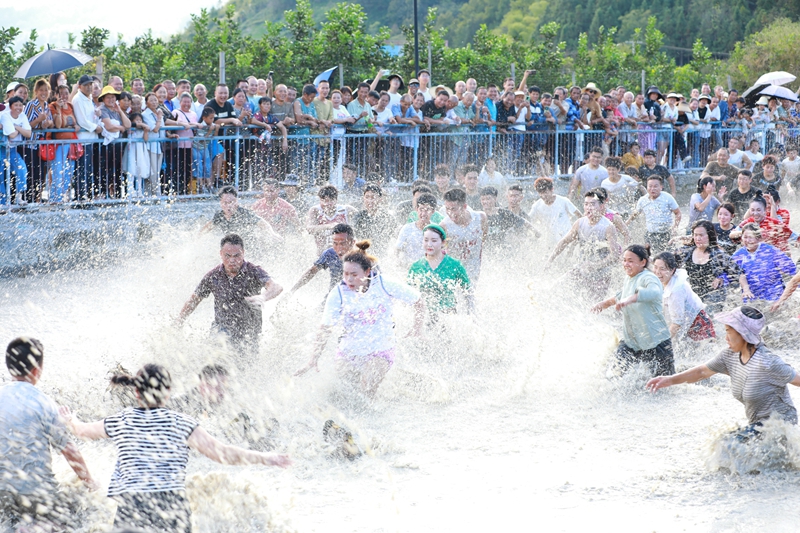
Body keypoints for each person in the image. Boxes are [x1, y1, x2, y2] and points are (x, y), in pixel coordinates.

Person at [60, 363, 290, 532]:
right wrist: (265, 457)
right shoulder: (182, 423)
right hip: (172, 507)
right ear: (168, 392)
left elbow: (81, 431)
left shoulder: (121, 420)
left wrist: (70, 419)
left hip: (132, 507)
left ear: (136, 392)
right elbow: (223, 454)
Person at [295, 242, 424, 397]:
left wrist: (417, 329)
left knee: (366, 388)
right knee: (339, 393)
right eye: (345, 274)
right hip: (349, 352)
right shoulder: (338, 294)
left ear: (367, 271)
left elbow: (418, 301)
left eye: (354, 275)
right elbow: (325, 327)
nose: (348, 279)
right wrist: (313, 359)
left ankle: (370, 419)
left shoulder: (384, 283)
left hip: (380, 349)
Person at [646, 306, 800, 436]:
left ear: (743, 334)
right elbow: (701, 372)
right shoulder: (729, 356)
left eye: (728, 331)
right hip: (757, 426)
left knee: (729, 444)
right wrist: (670, 380)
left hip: (781, 428)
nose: (725, 337)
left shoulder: (768, 362)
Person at [0, 337, 96, 531]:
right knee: (73, 517)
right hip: (38, 493)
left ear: (9, 367)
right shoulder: (43, 403)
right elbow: (68, 450)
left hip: (3, 492)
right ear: (37, 370)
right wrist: (89, 482)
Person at [177, 234, 283, 356]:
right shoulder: (213, 276)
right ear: (221, 254)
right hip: (221, 329)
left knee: (245, 367)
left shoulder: (253, 271)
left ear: (243, 253)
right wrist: (179, 321)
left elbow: (276, 287)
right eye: (227, 256)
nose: (232, 260)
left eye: (237, 255)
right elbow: (194, 300)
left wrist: (263, 297)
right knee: (216, 355)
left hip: (249, 332)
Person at [591, 244, 675, 377]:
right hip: (632, 341)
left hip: (656, 342)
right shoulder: (629, 278)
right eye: (624, 260)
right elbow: (621, 295)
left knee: (665, 384)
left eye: (630, 261)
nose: (626, 264)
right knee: (616, 376)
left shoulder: (649, 277)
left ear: (643, 262)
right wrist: (604, 304)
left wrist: (632, 299)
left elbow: (654, 292)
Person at [549, 190, 620, 301]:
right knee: (555, 289)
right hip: (581, 269)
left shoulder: (608, 227)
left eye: (592, 204)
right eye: (586, 204)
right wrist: (551, 259)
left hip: (601, 274)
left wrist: (595, 265)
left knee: (592, 305)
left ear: (601, 206)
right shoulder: (580, 223)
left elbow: (615, 255)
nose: (588, 207)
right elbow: (564, 242)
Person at [407, 224, 472, 316]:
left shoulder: (455, 265)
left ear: (443, 243)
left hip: (448, 317)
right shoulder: (416, 267)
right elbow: (408, 295)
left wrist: (470, 315)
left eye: (434, 241)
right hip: (423, 318)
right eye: (426, 240)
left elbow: (468, 292)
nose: (429, 244)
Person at [679, 220, 741, 314]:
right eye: (695, 235)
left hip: (713, 298)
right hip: (693, 295)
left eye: (701, 235)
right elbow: (669, 264)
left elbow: (739, 273)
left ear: (709, 235)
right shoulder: (687, 252)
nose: (698, 238)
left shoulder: (718, 255)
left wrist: (722, 278)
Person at [652, 252, 716, 341]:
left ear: (672, 270)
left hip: (698, 325)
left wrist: (662, 342)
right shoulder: (665, 281)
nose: (657, 272)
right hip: (687, 324)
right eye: (655, 267)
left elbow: (677, 323)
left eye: (662, 269)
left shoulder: (676, 289)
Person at [731, 224, 796, 303]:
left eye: (751, 237)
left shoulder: (770, 250)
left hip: (774, 294)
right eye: (745, 237)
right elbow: (731, 272)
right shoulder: (738, 255)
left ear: (758, 239)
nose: (747, 240)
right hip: (751, 296)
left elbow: (791, 269)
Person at [289, 223, 356, 295]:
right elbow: (311, 272)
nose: (339, 249)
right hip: (333, 297)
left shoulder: (362, 260)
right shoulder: (330, 254)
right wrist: (291, 291)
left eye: (343, 244)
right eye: (335, 243)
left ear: (352, 243)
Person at [201, 185, 281, 245]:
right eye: (225, 203)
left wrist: (272, 234)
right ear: (221, 203)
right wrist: (196, 238)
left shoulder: (244, 213)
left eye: (231, 202)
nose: (229, 206)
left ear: (236, 202)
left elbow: (262, 222)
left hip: (250, 246)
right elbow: (207, 227)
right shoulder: (219, 216)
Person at [441, 187, 488, 283]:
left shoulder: (480, 218)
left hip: (474, 268)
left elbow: (484, 238)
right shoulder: (444, 226)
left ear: (464, 207)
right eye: (447, 209)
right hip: (453, 270)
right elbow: (441, 251)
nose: (450, 213)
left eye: (454, 209)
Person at [627, 175, 681, 254]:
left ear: (661, 187)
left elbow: (678, 213)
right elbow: (636, 213)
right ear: (647, 187)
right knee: (648, 255)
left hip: (666, 232)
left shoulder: (667, 198)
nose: (652, 189)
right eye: (650, 186)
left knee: (667, 255)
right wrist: (627, 222)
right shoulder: (643, 200)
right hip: (650, 233)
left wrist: (675, 228)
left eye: (655, 186)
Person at [529, 177, 580, 249]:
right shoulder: (537, 206)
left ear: (552, 189)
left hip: (566, 240)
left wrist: (576, 233)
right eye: (540, 193)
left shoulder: (563, 201)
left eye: (545, 192)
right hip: (549, 243)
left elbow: (580, 216)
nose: (543, 196)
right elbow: (528, 221)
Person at [0, 96, 32, 205]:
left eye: (20, 105)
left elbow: (28, 133)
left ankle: (19, 197)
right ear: (10, 107)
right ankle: (3, 203)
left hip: (12, 150)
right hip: (2, 150)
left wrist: (16, 127)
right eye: (16, 105)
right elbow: (12, 135)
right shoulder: (5, 116)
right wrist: (19, 129)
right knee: (1, 177)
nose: (18, 107)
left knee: (22, 169)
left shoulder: (22, 115)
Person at [307, 185, 356, 254]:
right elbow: (309, 229)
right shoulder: (315, 211)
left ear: (336, 200)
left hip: (344, 254)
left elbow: (362, 220)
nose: (327, 204)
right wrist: (329, 226)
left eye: (330, 200)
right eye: (323, 200)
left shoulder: (346, 210)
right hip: (322, 255)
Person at [351, 184, 396, 257]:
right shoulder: (359, 217)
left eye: (373, 197)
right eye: (367, 197)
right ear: (363, 198)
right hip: (363, 254)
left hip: (382, 255)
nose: (370, 201)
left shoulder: (387, 218)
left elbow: (394, 237)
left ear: (380, 199)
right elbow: (353, 235)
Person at [395, 192, 438, 267]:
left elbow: (442, 252)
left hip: (430, 268)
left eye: (427, 210)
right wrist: (400, 264)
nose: (423, 214)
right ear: (416, 209)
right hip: (409, 267)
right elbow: (397, 250)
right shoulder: (407, 228)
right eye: (421, 209)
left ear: (433, 211)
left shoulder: (437, 230)